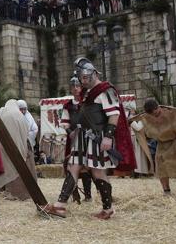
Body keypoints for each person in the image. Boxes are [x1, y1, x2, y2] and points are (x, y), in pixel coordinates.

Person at [45, 58, 135, 220]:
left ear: (94, 73)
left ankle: (107, 209)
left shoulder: (105, 90)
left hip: (97, 138)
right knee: (73, 166)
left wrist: (108, 137)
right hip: (83, 137)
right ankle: (60, 206)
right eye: (81, 79)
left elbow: (114, 115)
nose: (83, 82)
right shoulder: (88, 93)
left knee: (97, 171)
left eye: (86, 78)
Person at [130, 99, 176, 194]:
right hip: (162, 143)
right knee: (161, 167)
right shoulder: (146, 115)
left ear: (158, 107)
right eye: (152, 114)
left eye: (155, 112)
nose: (154, 115)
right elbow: (133, 119)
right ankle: (166, 190)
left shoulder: (170, 111)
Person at [0, 99, 37, 201]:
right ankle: (24, 193)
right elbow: (27, 131)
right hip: (21, 147)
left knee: (7, 167)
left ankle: (5, 190)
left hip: (3, 146)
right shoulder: (20, 116)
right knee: (22, 170)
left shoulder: (1, 112)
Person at [61, 76, 93, 202]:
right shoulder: (67, 106)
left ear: (81, 87)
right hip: (73, 139)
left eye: (78, 86)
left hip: (86, 138)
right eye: (73, 86)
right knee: (71, 166)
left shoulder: (87, 103)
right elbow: (65, 122)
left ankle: (88, 195)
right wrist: (70, 132)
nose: (75, 88)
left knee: (86, 166)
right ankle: (75, 195)